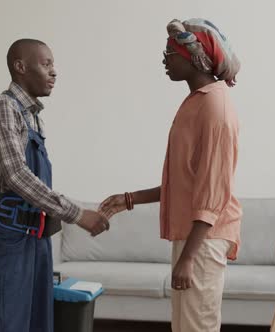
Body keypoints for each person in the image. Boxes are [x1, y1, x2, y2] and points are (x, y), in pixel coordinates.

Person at [99, 18, 242, 332]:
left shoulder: (214, 107)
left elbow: (213, 191)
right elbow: (187, 181)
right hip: (193, 235)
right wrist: (130, 199)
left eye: (170, 52)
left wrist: (189, 258)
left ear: (194, 56)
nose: (164, 59)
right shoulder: (197, 102)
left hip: (203, 238)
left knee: (196, 327)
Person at [0, 38, 109, 332]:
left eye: (53, 65)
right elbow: (16, 176)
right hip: (10, 234)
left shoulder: (33, 116)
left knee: (39, 321)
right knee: (8, 322)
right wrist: (78, 214)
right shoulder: (3, 108)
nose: (54, 72)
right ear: (20, 67)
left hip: (36, 234)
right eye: (46, 64)